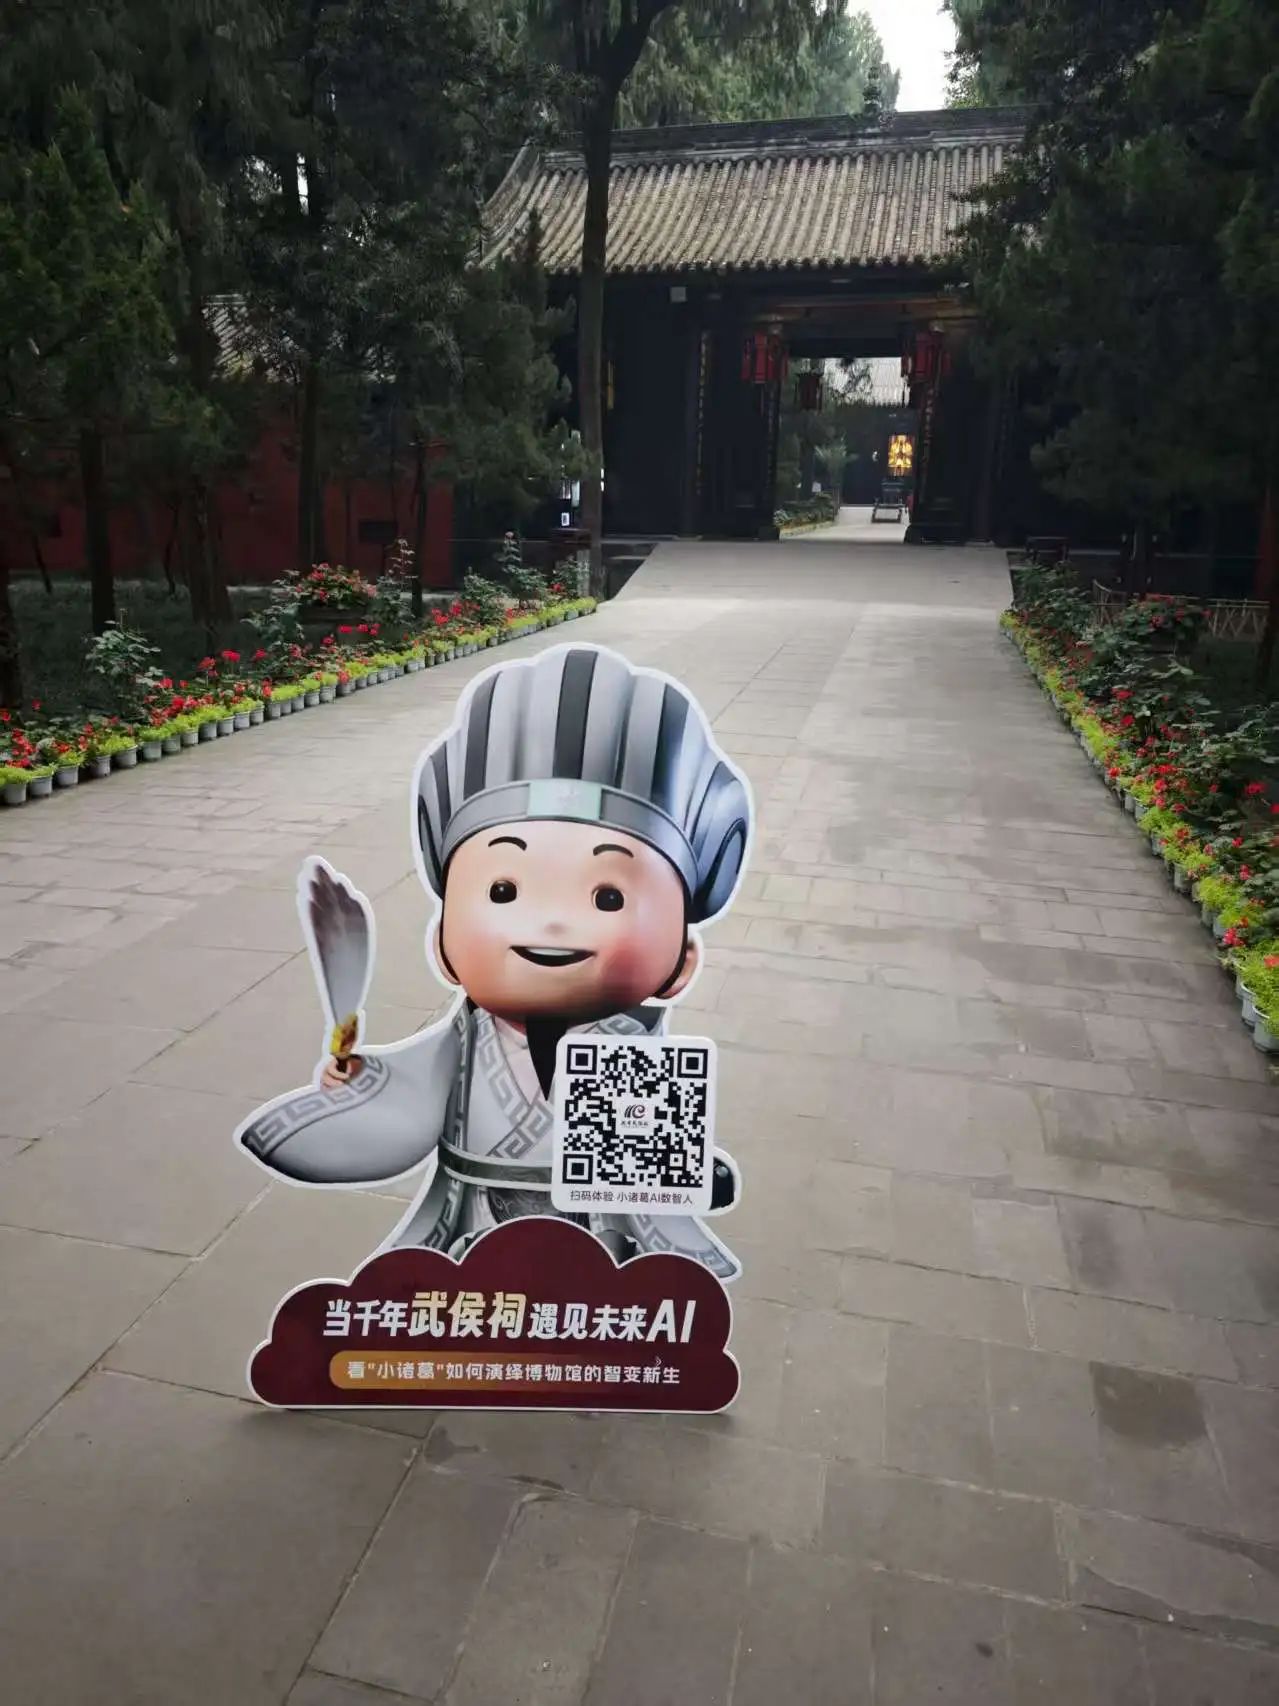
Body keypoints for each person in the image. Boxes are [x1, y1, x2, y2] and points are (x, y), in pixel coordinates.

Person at [236, 643, 753, 1279]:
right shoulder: (463, 1045)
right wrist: (362, 1082)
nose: (552, 921)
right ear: (443, 946)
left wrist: (686, 1169)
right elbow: (406, 1111)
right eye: (504, 890)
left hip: (605, 1247)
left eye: (608, 897)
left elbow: (649, 1164)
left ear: (681, 963)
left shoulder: (634, 1057)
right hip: (472, 1233)